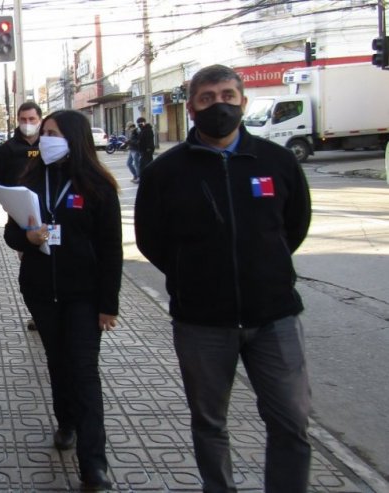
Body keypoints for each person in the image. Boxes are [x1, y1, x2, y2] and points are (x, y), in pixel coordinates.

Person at [134, 64, 312, 493]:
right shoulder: (166, 172)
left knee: (291, 421)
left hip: (274, 317)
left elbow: (295, 225)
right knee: (210, 422)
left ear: (243, 102)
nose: (220, 106)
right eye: (208, 98)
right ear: (192, 107)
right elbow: (150, 239)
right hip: (202, 322)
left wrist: (265, 268)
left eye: (228, 97)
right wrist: (190, 276)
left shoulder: (277, 161)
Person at [3, 110, 122, 491]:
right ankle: (66, 421)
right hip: (41, 291)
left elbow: (111, 250)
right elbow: (10, 232)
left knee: (84, 371)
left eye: (53, 133)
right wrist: (27, 239)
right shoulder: (31, 179)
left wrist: (109, 304)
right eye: (44, 132)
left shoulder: (98, 188)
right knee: (57, 361)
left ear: (74, 138)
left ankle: (94, 465)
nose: (45, 138)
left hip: (84, 296)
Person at [0, 101, 43, 332]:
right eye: (23, 119)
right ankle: (38, 313)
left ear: (39, 119)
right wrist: (9, 204)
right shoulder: (7, 150)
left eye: (32, 119)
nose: (28, 124)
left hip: (49, 213)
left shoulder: (49, 144)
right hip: (21, 216)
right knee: (30, 262)